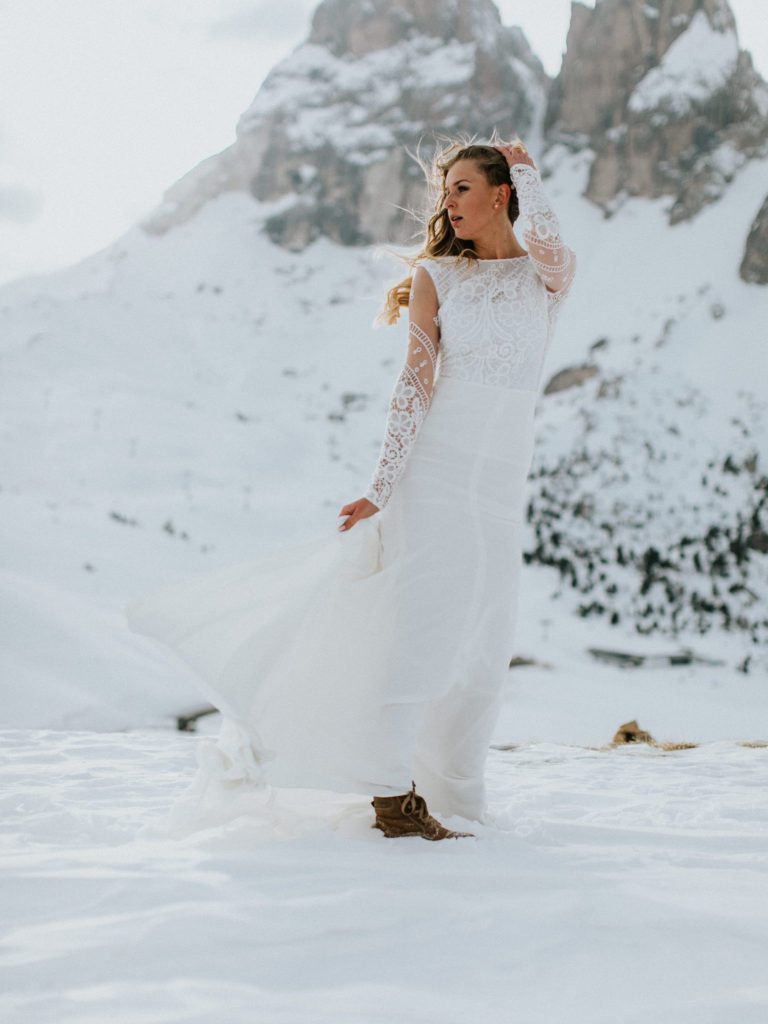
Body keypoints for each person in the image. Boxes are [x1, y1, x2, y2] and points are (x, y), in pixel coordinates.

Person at [126, 132, 577, 843]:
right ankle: (391, 798)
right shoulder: (438, 276)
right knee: (423, 632)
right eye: (445, 191)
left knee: (484, 644)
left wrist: (527, 167)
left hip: (498, 489)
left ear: (501, 196)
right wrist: (383, 484)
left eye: (465, 188)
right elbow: (414, 385)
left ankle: (453, 794)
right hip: (435, 473)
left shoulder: (546, 277)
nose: (450, 202)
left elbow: (548, 245)